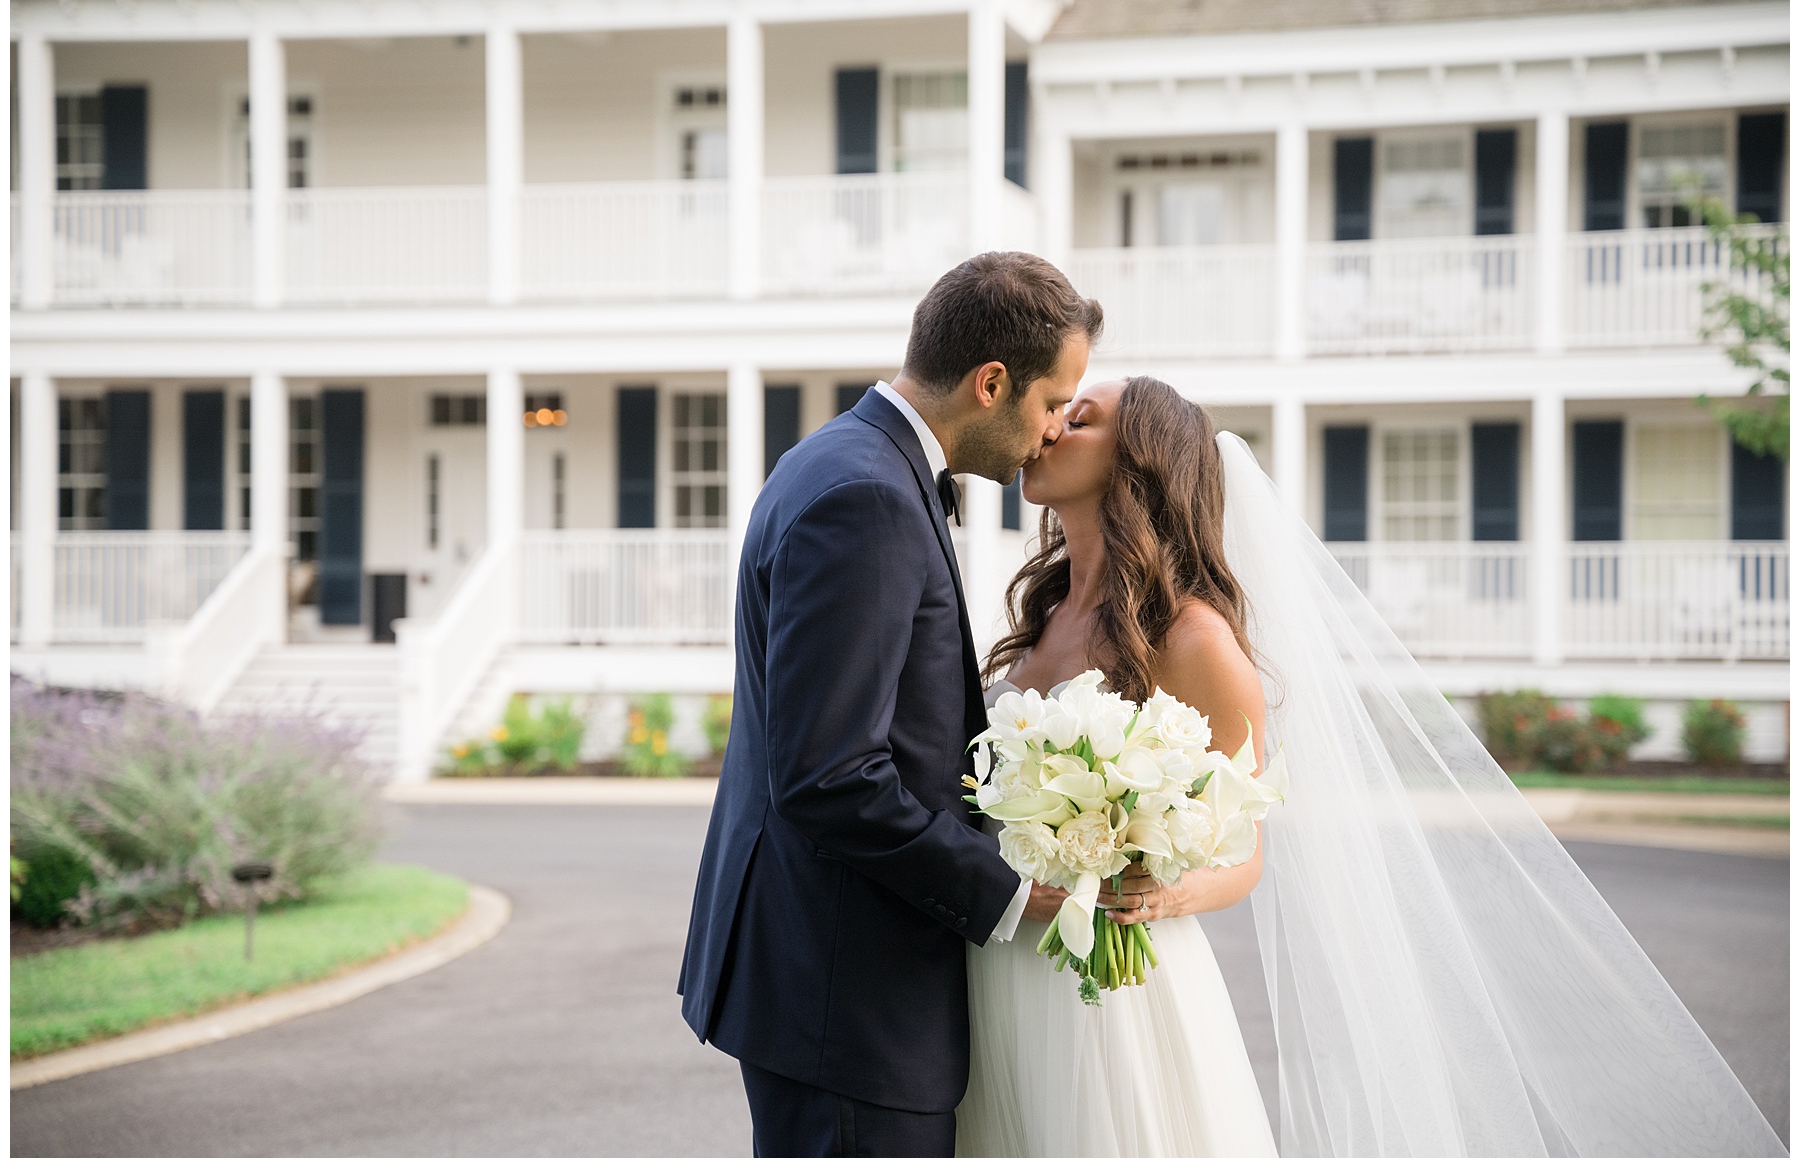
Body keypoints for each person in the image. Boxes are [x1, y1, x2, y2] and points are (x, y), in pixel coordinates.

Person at [956, 376, 1785, 1157]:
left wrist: (1159, 887)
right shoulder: (1045, 611)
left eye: (1084, 414)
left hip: (1107, 990)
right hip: (997, 959)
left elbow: (1244, 849)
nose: (1053, 423)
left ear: (1141, 460)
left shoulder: (1194, 637)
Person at [678, 252, 1104, 1157]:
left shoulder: (845, 460)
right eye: (1051, 402)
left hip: (827, 974)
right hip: (846, 994)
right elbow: (831, 776)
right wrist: (1013, 890)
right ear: (992, 383)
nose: (1053, 429)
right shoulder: (867, 495)